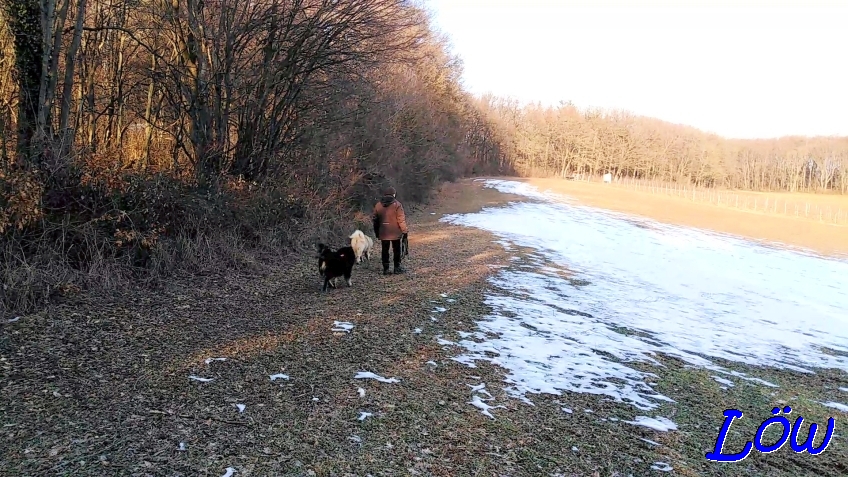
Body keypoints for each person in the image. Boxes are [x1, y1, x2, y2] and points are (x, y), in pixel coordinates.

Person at [372, 186, 409, 275]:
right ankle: (397, 267)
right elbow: (401, 219)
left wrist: (377, 232)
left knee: (385, 250)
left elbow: (375, 220)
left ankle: (386, 269)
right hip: (395, 232)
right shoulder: (397, 204)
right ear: (394, 194)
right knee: (397, 250)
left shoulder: (378, 205)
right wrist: (404, 231)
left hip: (383, 232)